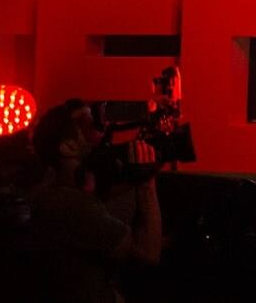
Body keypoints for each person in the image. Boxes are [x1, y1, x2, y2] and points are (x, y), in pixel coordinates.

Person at [22, 99, 161, 303]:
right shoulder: (68, 204)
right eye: (88, 123)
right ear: (67, 147)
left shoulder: (60, 194)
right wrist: (147, 183)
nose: (100, 126)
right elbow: (148, 253)